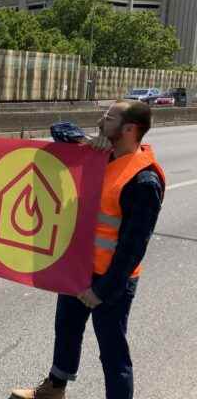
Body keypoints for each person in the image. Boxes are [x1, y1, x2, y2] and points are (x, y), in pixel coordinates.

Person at [11, 100, 165, 399]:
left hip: (111, 281)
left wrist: (102, 290)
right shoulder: (100, 155)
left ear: (130, 129)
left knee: (112, 352)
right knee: (66, 332)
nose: (100, 121)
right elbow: (60, 129)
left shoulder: (144, 180)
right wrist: (87, 141)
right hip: (80, 269)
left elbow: (133, 248)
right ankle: (54, 389)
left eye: (108, 118)